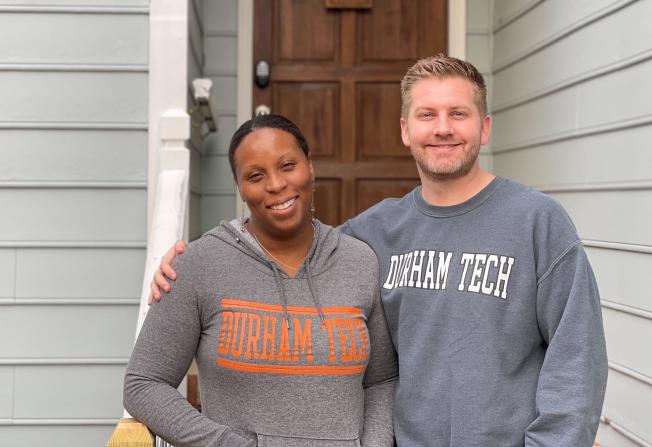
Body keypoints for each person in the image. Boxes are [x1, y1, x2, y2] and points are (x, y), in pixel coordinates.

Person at [151, 55, 607, 446]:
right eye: (427, 115)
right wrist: (188, 263)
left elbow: (577, 361)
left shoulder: (536, 222)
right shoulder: (372, 233)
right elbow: (281, 248)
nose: (443, 129)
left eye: (458, 114)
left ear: (484, 128)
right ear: (406, 130)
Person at [124, 114, 398, 446]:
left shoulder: (358, 261)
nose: (275, 185)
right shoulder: (199, 264)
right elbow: (144, 384)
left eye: (287, 166)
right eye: (255, 175)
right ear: (240, 188)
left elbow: (382, 381)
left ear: (309, 167)